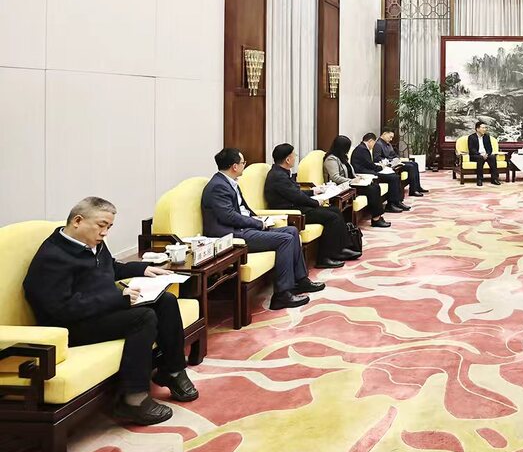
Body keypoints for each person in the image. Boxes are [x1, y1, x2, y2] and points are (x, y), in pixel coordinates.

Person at [23, 197, 198, 425]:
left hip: (98, 310)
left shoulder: (91, 243)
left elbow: (110, 267)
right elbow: (60, 308)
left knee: (165, 301)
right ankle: (133, 399)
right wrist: (117, 299)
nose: (105, 233)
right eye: (101, 225)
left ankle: (173, 371)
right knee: (143, 318)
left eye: (109, 227)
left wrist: (143, 269)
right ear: (77, 221)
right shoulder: (52, 257)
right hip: (70, 326)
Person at [202, 148, 324, 310]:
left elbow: (243, 210)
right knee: (286, 239)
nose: (244, 165)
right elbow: (229, 217)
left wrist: (260, 219)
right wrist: (258, 223)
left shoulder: (229, 182)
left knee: (292, 231)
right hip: (233, 235)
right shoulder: (218, 186)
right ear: (234, 167)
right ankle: (281, 295)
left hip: (244, 228)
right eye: (243, 162)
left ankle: (300, 281)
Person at [264, 143, 362, 268]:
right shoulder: (278, 176)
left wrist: (313, 192)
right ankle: (324, 258)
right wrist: (316, 202)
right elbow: (296, 196)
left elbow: (294, 191)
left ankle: (340, 249)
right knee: (332, 217)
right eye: (294, 155)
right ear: (288, 160)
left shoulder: (281, 172)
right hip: (291, 211)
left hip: (296, 205)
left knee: (335, 211)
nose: (295, 157)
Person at [325, 134, 390, 228]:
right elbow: (335, 177)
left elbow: (350, 172)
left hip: (352, 183)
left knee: (375, 186)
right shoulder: (331, 159)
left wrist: (359, 178)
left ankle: (377, 217)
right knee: (372, 190)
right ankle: (376, 219)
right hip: (343, 186)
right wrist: (351, 181)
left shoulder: (342, 157)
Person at [352, 133, 411, 212]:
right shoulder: (362, 149)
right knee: (393, 178)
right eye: (374, 143)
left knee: (395, 176)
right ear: (370, 141)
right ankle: (391, 204)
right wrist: (380, 167)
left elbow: (369, 164)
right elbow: (369, 164)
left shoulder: (362, 148)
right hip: (365, 173)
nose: (374, 145)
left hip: (368, 171)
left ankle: (397, 202)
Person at [374, 129, 429, 197]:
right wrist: (391, 161)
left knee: (414, 164)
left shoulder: (388, 144)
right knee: (411, 167)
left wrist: (397, 159)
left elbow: (394, 154)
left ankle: (417, 187)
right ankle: (413, 190)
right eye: (390, 137)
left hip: (395, 162)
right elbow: (377, 158)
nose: (391, 139)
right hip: (389, 164)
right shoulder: (378, 144)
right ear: (384, 134)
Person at [468, 121, 502, 187]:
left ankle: (494, 179)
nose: (484, 129)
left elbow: (490, 148)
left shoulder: (487, 137)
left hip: (486, 155)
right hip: (476, 155)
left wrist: (487, 154)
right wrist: (480, 154)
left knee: (492, 157)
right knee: (480, 158)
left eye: (485, 128)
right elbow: (471, 149)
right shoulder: (471, 137)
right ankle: (479, 179)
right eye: (483, 128)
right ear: (477, 129)